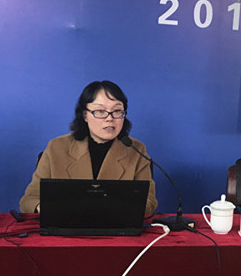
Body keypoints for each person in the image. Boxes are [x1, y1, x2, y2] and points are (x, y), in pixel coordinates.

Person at [19, 81, 158, 215]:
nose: (110, 118)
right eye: (100, 111)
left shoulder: (136, 150)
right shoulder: (56, 148)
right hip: (67, 225)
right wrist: (48, 208)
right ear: (85, 115)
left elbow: (149, 202)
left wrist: (113, 211)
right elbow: (29, 199)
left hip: (116, 226)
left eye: (117, 111)